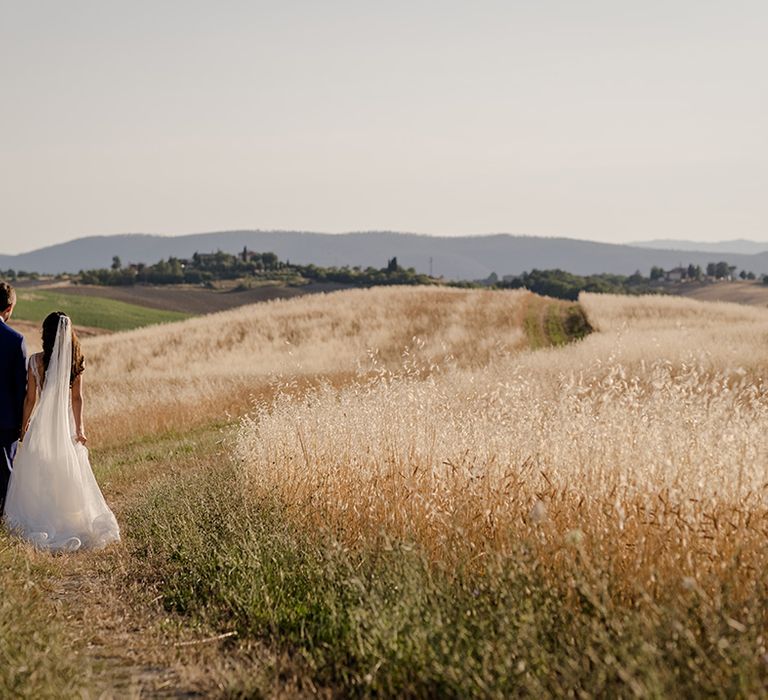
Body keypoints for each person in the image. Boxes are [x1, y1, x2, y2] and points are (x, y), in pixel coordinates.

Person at [4, 311, 120, 551]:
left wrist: (24, 426)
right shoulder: (76, 362)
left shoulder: (35, 361)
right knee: (65, 467)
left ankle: (43, 514)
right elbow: (77, 399)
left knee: (39, 469)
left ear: (45, 333)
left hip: (42, 424)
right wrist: (79, 428)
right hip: (64, 423)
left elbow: (30, 399)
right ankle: (66, 515)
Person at [0, 282, 27, 513]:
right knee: (4, 472)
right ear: (9, 308)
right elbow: (21, 387)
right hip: (5, 420)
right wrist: (22, 422)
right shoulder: (15, 340)